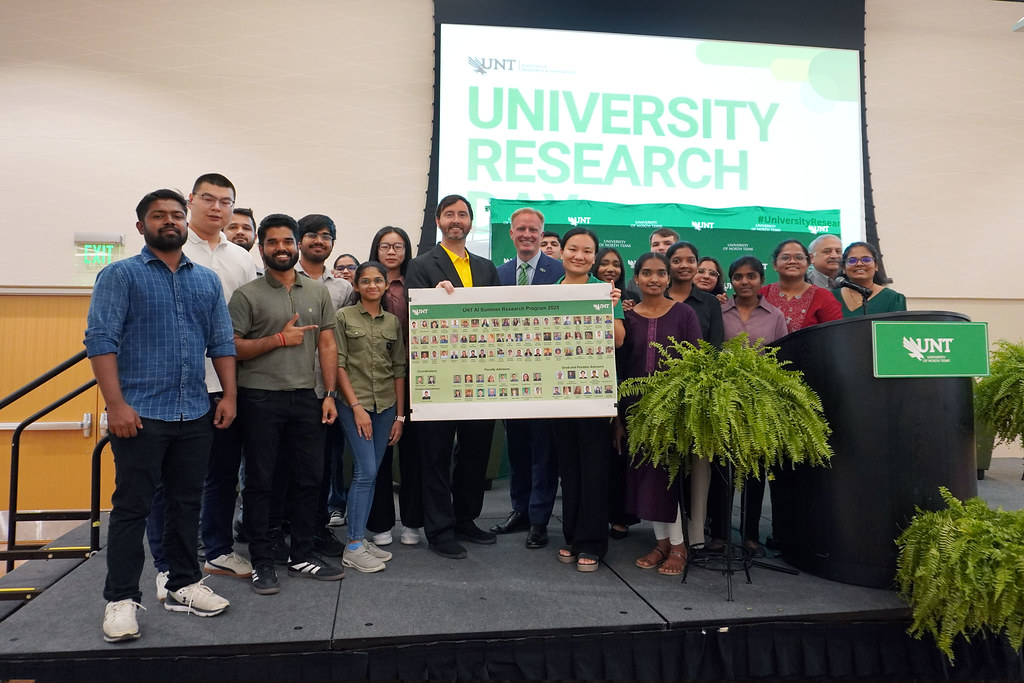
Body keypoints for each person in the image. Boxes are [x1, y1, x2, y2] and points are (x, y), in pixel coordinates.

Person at [86, 189, 234, 643]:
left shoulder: (206, 281)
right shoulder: (120, 275)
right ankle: (121, 599)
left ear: (185, 222)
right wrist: (115, 406)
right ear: (141, 226)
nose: (169, 222)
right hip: (140, 414)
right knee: (132, 509)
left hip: (194, 411)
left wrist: (230, 396)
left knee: (187, 504)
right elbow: (100, 341)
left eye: (175, 215)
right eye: (158, 216)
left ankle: (183, 583)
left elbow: (222, 343)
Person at [145, 173, 255, 602]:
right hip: (174, 388)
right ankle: (167, 564)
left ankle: (219, 550)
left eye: (224, 202)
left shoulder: (241, 259)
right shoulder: (172, 247)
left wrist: (232, 388)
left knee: (222, 475)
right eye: (207, 199)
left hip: (226, 383)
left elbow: (239, 328)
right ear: (191, 201)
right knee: (167, 484)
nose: (216, 208)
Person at [229, 213, 345, 595]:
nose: (281, 248)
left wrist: (329, 394)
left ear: (296, 245)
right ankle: (263, 560)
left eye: (287, 242)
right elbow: (232, 347)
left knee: (310, 479)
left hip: (308, 398)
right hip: (260, 398)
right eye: (273, 242)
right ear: (261, 248)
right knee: (262, 482)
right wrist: (278, 340)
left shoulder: (318, 291)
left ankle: (303, 555)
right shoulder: (247, 295)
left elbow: (327, 345)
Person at [405, 194, 501, 560]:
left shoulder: (486, 267)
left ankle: (465, 519)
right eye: (450, 214)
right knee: (435, 454)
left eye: (462, 214)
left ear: (470, 222)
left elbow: (496, 319)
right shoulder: (421, 264)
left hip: (481, 376)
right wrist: (434, 296)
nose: (456, 219)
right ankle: (440, 529)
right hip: (439, 377)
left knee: (475, 452)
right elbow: (416, 309)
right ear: (438, 220)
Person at [618, 253, 701, 576]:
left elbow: (695, 363)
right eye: (647, 273)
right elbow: (622, 370)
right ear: (635, 278)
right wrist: (619, 419)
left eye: (661, 273)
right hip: (636, 411)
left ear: (669, 279)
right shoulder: (628, 318)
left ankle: (679, 546)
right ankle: (662, 543)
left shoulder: (684, 313)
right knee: (645, 479)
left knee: (667, 480)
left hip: (673, 411)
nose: (654, 279)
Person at [554, 227, 625, 572]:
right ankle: (571, 535)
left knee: (595, 469)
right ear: (562, 252)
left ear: (594, 257)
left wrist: (606, 310)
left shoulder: (605, 291)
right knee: (569, 469)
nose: (579, 256)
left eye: (586, 251)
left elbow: (620, 340)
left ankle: (593, 542)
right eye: (573, 249)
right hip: (558, 395)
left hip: (595, 393)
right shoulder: (548, 292)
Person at [492, 208, 564, 549]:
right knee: (518, 449)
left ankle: (539, 520)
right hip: (510, 380)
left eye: (533, 229)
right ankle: (519, 510)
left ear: (541, 233)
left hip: (549, 380)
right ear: (511, 233)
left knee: (544, 453)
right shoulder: (498, 273)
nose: (527, 234)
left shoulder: (561, 272)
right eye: (520, 228)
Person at [708, 255, 788, 557]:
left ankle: (751, 535)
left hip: (758, 402)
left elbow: (782, 360)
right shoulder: (720, 311)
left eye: (751, 276)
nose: (745, 282)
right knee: (720, 471)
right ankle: (719, 534)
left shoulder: (775, 315)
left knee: (755, 473)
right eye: (739, 277)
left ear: (760, 279)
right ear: (731, 280)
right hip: (722, 401)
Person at [335, 261, 407, 573]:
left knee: (373, 473)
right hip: (356, 405)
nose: (372, 286)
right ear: (356, 285)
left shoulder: (392, 321)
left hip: (387, 406)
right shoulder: (343, 317)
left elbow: (398, 369)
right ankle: (352, 545)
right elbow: (338, 365)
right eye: (366, 281)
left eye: (378, 280)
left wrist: (400, 416)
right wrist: (356, 408)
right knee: (364, 472)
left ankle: (360, 539)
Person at [295, 214, 356, 559]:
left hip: (325, 390)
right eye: (312, 235)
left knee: (320, 469)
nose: (319, 241)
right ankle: (284, 530)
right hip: (287, 386)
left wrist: (334, 391)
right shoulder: (283, 277)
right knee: (284, 467)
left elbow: (341, 342)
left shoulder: (343, 288)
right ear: (299, 240)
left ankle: (316, 530)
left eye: (326, 236)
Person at [365, 226, 424, 547]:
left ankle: (414, 523)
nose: (391, 252)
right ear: (376, 248)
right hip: (375, 380)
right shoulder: (361, 284)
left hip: (416, 379)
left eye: (398, 246)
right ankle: (380, 523)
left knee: (414, 454)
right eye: (385, 246)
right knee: (379, 456)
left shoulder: (417, 284)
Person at [665, 241, 724, 548]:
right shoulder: (655, 295)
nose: (684, 265)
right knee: (665, 469)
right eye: (677, 260)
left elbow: (715, 348)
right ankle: (671, 538)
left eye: (691, 260)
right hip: (659, 397)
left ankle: (697, 537)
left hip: (699, 395)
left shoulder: (710, 303)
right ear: (668, 265)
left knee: (700, 469)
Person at [761, 239, 842, 333]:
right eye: (785, 258)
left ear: (808, 264)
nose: (792, 261)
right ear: (775, 265)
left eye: (799, 257)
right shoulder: (761, 294)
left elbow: (836, 334)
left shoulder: (823, 297)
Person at [832, 241, 907, 317]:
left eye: (866, 260)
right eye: (852, 260)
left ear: (876, 266)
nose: (859, 264)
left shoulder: (893, 298)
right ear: (844, 268)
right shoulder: (831, 297)